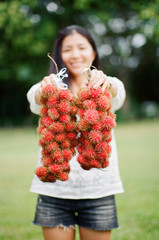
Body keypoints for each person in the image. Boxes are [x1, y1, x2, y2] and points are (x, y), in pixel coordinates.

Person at [27, 25, 126, 240]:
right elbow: (34, 98)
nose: (76, 55)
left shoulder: (105, 86)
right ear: (59, 55)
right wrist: (44, 91)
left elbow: (118, 92)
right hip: (54, 192)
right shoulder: (50, 87)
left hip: (99, 193)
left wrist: (106, 83)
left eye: (82, 47)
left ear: (93, 52)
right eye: (67, 49)